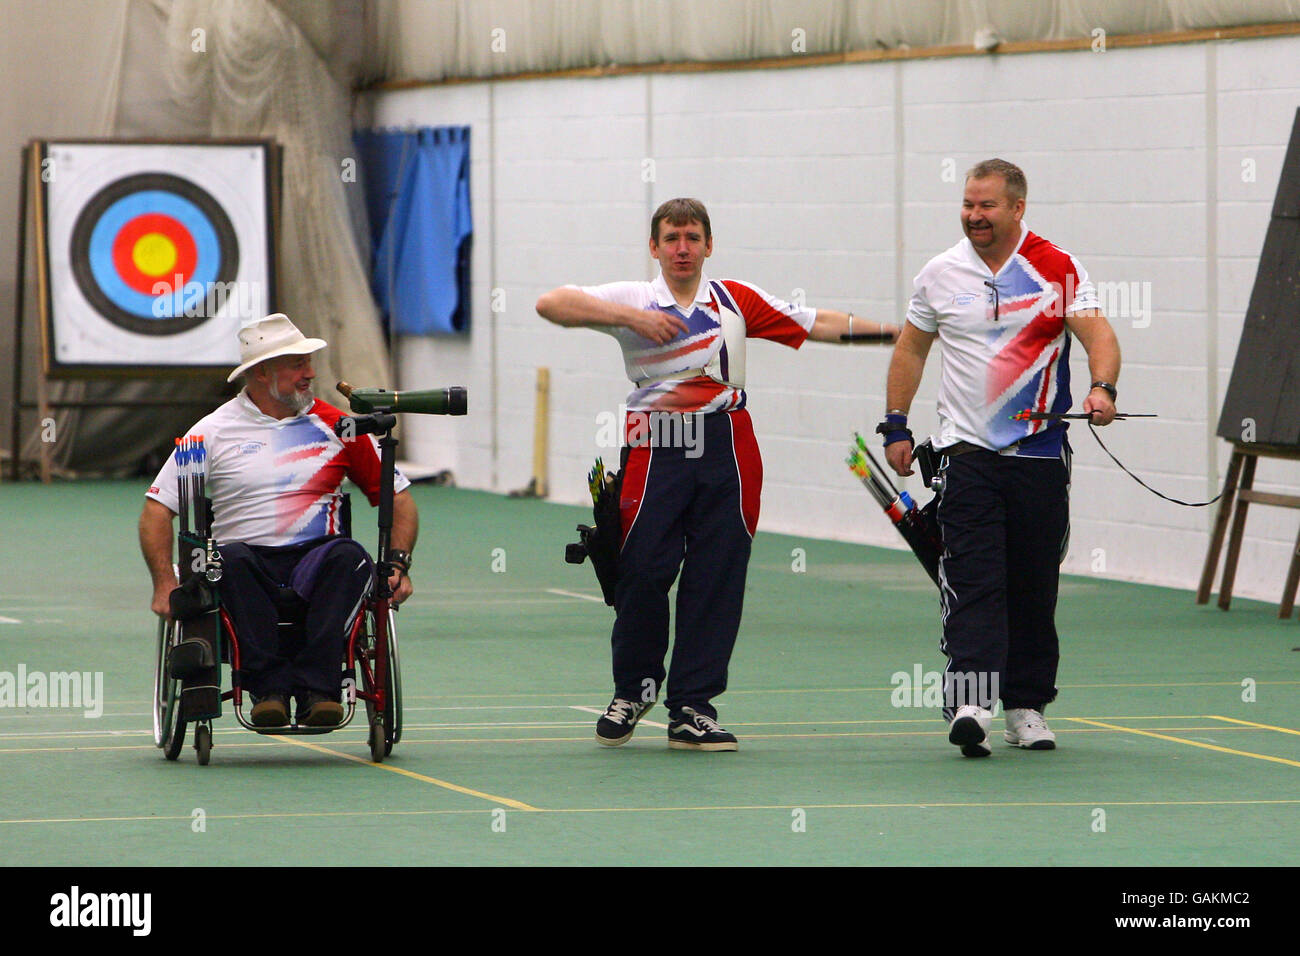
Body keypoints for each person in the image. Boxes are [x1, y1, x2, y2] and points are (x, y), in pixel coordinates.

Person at [537, 197, 897, 751]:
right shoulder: (636, 297)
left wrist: (899, 334)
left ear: (709, 245)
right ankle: (633, 690)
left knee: (717, 576)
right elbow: (551, 303)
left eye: (693, 237)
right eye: (672, 238)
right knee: (640, 571)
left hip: (727, 444)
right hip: (654, 441)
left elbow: (816, 321)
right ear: (654, 247)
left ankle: (692, 707)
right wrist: (629, 319)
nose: (683, 248)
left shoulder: (734, 299)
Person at [882, 159, 1120, 757]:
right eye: (967, 204)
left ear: (1017, 208)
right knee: (972, 578)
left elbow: (1098, 334)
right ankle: (970, 704)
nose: (973, 216)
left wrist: (1103, 388)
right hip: (966, 457)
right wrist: (895, 425)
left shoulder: (1056, 268)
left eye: (986, 206)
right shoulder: (939, 274)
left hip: (1039, 459)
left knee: (1034, 585)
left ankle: (1025, 707)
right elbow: (911, 349)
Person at [139, 313, 418, 727]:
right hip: (245, 562)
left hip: (318, 560)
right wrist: (164, 583)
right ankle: (268, 690)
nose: (310, 373)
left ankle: (319, 691)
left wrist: (397, 564)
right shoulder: (211, 432)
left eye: (308, 362)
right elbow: (157, 511)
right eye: (297, 364)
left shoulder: (340, 427)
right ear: (261, 372)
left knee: (351, 557)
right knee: (227, 561)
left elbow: (399, 499)